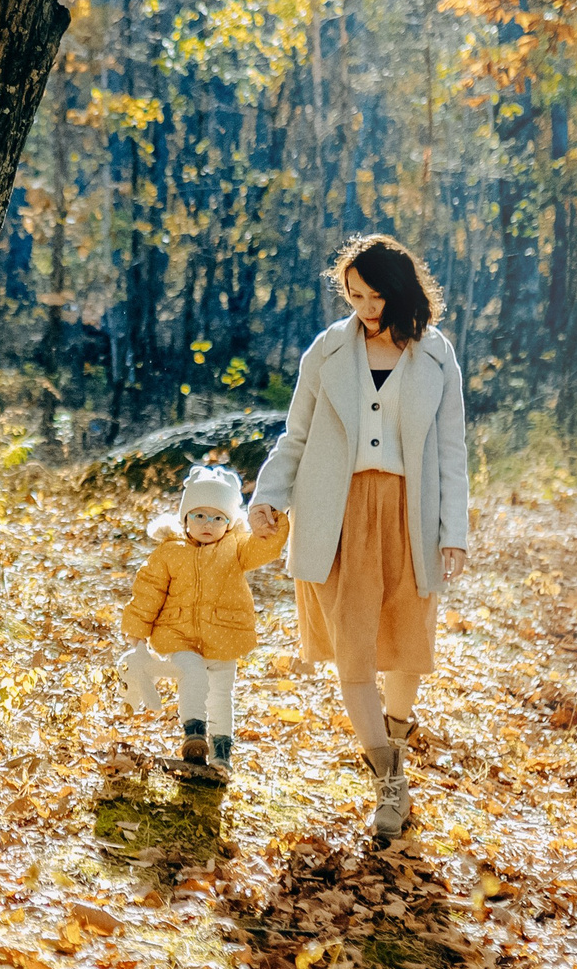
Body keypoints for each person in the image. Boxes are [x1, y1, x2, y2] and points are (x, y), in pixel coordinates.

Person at [249, 235, 470, 839]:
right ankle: (388, 783)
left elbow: (451, 449)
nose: (365, 306)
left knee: (404, 642)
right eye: (353, 294)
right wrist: (268, 497)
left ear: (399, 291)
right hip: (337, 511)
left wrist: (455, 532)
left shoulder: (435, 355)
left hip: (409, 511)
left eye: (375, 295)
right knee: (353, 647)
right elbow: (295, 436)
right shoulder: (326, 352)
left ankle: (393, 741)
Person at [118, 466, 290, 785]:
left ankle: (222, 751)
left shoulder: (237, 548)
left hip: (225, 636)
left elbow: (265, 547)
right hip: (179, 635)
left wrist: (275, 522)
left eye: (217, 517)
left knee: (221, 694)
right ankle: (194, 734)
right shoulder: (169, 552)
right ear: (185, 518)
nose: (207, 525)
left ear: (229, 521)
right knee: (192, 675)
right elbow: (148, 591)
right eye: (198, 516)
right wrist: (136, 629)